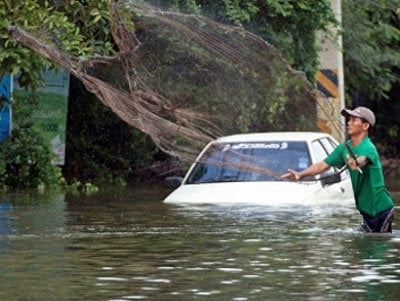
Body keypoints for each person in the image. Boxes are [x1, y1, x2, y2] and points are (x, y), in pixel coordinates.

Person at [282, 106, 395, 233]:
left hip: (380, 209)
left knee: (377, 246)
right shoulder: (344, 148)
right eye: (348, 119)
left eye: (354, 120)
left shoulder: (368, 147)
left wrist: (356, 163)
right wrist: (300, 174)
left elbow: (363, 159)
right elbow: (322, 165)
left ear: (365, 126)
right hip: (367, 211)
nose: (348, 122)